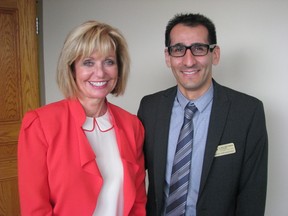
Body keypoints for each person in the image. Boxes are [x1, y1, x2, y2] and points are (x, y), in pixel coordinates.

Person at [137, 13, 268, 216]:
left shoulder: (248, 112)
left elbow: (252, 197)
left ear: (214, 54)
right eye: (178, 50)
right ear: (168, 57)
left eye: (198, 49)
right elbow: (131, 177)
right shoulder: (150, 108)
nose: (189, 61)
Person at [18, 20, 146, 216]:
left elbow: (138, 200)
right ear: (72, 69)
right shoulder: (40, 124)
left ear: (119, 69)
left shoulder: (132, 125)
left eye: (109, 62)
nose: (100, 72)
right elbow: (35, 208)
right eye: (88, 62)